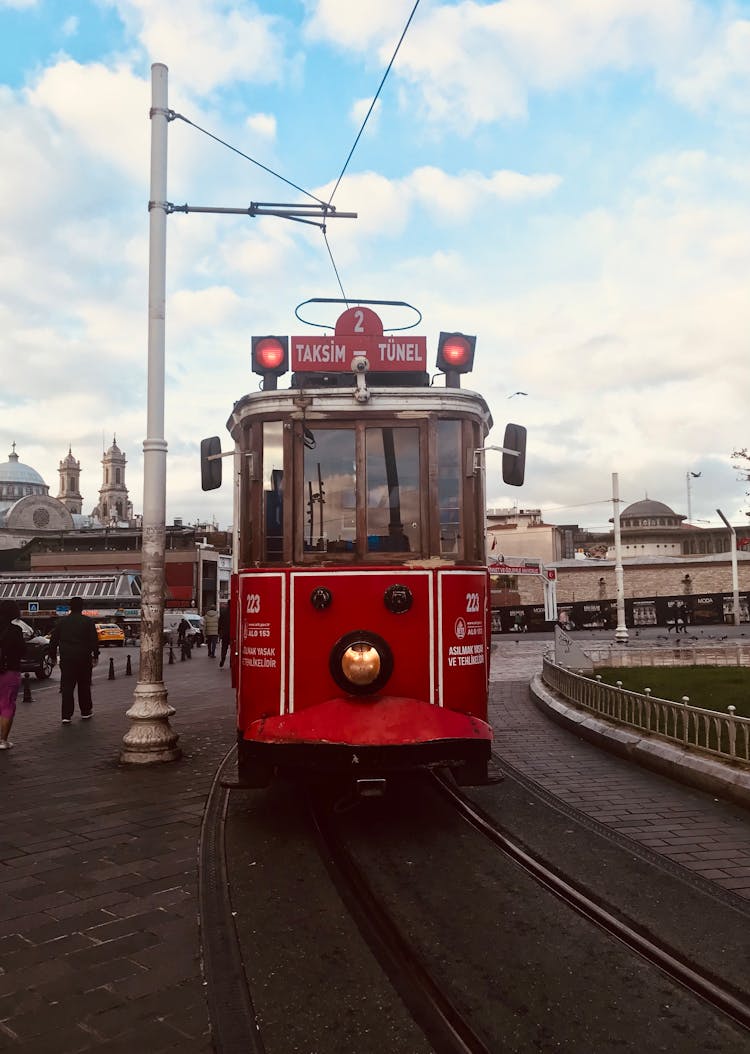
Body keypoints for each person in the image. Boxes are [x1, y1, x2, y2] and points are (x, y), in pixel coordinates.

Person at [49, 596, 99, 723]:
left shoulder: (62, 622)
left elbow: (53, 640)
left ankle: (66, 715)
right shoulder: (88, 621)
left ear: (70, 607)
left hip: (67, 659)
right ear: (82, 607)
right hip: (84, 658)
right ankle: (86, 711)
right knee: (84, 685)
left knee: (67, 687)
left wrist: (53, 656)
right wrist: (95, 655)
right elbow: (94, 640)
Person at [0, 599, 24, 749]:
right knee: (6, 705)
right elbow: (22, 650)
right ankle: (3, 741)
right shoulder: (15, 630)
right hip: (9, 671)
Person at [218, 604, 231, 668]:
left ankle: (223, 659)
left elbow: (219, 623)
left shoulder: (223, 612)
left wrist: (219, 632)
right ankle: (232, 662)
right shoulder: (235, 611)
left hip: (225, 633)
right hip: (233, 633)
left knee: (224, 648)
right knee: (233, 649)